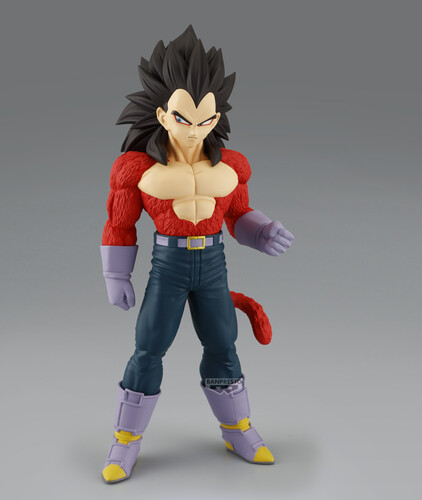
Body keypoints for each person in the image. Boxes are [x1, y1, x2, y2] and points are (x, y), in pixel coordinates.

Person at [100, 25, 294, 483]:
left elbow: (238, 215)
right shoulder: (135, 168)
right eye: (184, 119)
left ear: (217, 117)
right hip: (167, 266)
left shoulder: (231, 167)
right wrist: (116, 275)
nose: (195, 131)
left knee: (223, 344)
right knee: (148, 348)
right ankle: (125, 441)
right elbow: (120, 223)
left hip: (212, 264)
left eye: (205, 120)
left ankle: (238, 429)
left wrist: (263, 232)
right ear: (162, 115)